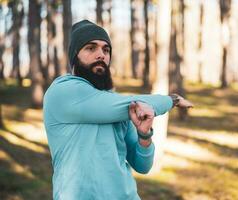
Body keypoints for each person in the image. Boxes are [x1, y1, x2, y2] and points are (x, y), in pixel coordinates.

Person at [43, 19, 193, 200]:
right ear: (75, 55)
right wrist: (172, 100)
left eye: (106, 50)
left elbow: (142, 166)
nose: (101, 55)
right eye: (91, 48)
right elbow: (126, 103)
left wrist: (144, 136)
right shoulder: (63, 91)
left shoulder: (114, 105)